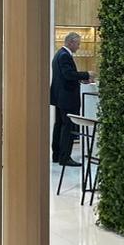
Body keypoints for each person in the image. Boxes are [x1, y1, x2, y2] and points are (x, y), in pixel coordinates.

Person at [51, 32, 93, 166]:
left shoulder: (59, 54)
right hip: (67, 98)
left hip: (59, 97)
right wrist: (86, 74)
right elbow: (68, 74)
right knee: (67, 127)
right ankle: (65, 158)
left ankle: (57, 155)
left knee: (59, 125)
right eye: (78, 44)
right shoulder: (64, 55)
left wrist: (80, 79)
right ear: (70, 42)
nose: (79, 47)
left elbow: (65, 76)